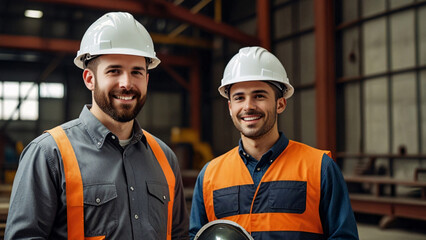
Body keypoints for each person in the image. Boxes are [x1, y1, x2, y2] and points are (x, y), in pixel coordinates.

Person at [5, 12, 189, 240]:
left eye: (136, 72)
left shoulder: (165, 158)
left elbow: (179, 235)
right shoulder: (48, 155)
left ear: (147, 79)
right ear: (89, 79)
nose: (127, 83)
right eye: (114, 71)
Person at [189, 46, 359, 239]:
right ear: (230, 107)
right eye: (239, 97)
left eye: (259, 96)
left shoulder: (320, 168)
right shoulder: (209, 176)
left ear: (280, 104)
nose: (248, 106)